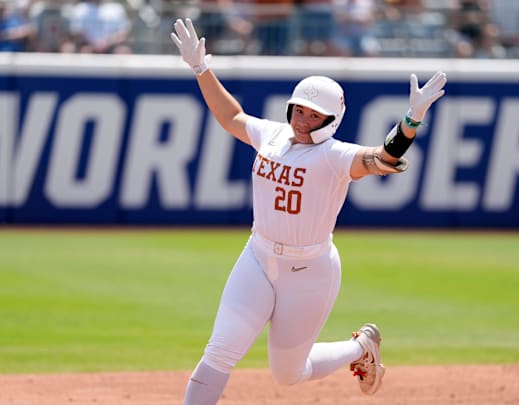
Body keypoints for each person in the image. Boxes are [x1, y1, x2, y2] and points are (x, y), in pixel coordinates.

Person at [170, 17, 446, 404]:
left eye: (314, 115)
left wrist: (410, 121)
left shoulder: (335, 156)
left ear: (332, 121)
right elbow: (231, 116)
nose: (303, 121)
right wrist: (201, 68)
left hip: (309, 271)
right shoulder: (274, 135)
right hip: (257, 256)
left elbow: (383, 157)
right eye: (299, 110)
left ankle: (361, 347)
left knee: (288, 374)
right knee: (219, 350)